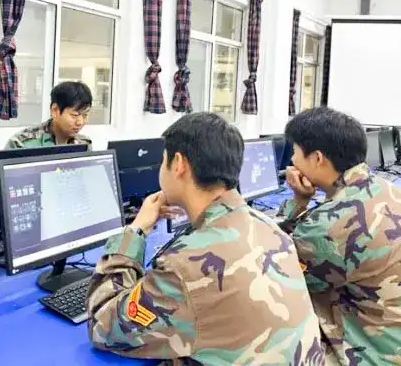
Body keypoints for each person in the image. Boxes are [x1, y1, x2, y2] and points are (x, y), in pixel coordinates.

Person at [87, 112, 324, 364]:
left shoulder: (185, 267)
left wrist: (135, 232)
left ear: (179, 164)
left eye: (163, 160)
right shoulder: (270, 227)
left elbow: (104, 326)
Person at [276, 107, 401, 365]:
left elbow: (278, 266)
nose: (292, 160)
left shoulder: (330, 226)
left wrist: (298, 201)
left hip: (383, 356)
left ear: (318, 158)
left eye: (295, 152)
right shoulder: (387, 190)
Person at [5, 81, 92, 149]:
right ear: (55, 110)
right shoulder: (21, 143)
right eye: (74, 115)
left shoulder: (84, 144)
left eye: (85, 115)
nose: (80, 122)